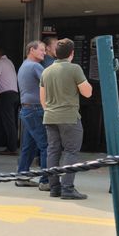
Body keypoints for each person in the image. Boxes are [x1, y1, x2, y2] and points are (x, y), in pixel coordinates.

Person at [40, 38, 92, 199]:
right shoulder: (74, 68)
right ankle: (67, 188)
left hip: (50, 116)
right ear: (72, 53)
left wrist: (50, 110)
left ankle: (54, 188)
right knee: (71, 151)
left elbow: (42, 98)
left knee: (53, 151)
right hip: (69, 116)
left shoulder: (46, 71)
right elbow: (87, 92)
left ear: (55, 53)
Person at [14, 40, 49, 190]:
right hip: (35, 109)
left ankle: (22, 176)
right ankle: (46, 181)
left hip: (27, 110)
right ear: (31, 50)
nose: (44, 53)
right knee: (46, 145)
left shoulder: (24, 65)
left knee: (28, 146)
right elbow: (50, 83)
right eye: (41, 50)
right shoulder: (35, 66)